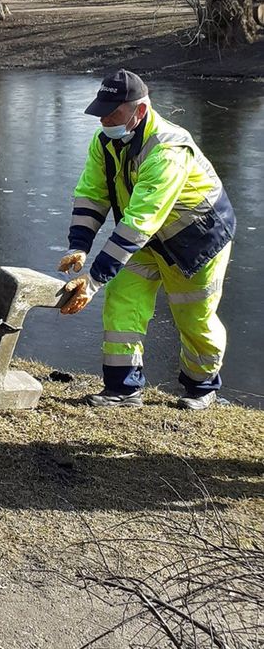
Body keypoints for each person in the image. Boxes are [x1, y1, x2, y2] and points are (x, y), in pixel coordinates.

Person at [58, 68, 235, 409]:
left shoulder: (168, 150)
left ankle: (201, 388)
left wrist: (93, 281)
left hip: (195, 242)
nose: (104, 120)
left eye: (112, 113)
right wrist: (78, 245)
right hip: (145, 240)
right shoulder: (105, 141)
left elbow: (140, 221)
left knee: (193, 317)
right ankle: (123, 390)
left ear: (139, 111)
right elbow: (91, 194)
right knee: (122, 302)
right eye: (101, 112)